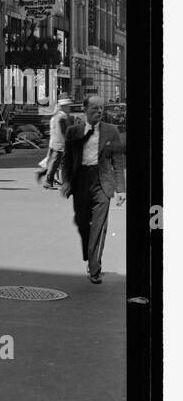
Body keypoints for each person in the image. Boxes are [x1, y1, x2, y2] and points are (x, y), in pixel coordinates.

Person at [59, 95, 125, 283]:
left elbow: (118, 162)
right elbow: (66, 161)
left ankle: (94, 267)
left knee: (99, 226)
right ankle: (90, 255)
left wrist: (121, 189)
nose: (99, 111)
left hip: (102, 182)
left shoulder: (111, 131)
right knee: (83, 223)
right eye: (95, 108)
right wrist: (66, 182)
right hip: (80, 182)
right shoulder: (74, 132)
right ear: (84, 109)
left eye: (101, 108)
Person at [37, 95, 71, 189]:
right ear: (63, 106)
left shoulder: (56, 116)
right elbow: (63, 131)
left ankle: (47, 176)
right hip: (59, 144)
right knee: (56, 163)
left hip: (54, 143)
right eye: (67, 106)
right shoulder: (61, 117)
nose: (69, 108)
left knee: (54, 162)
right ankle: (49, 181)